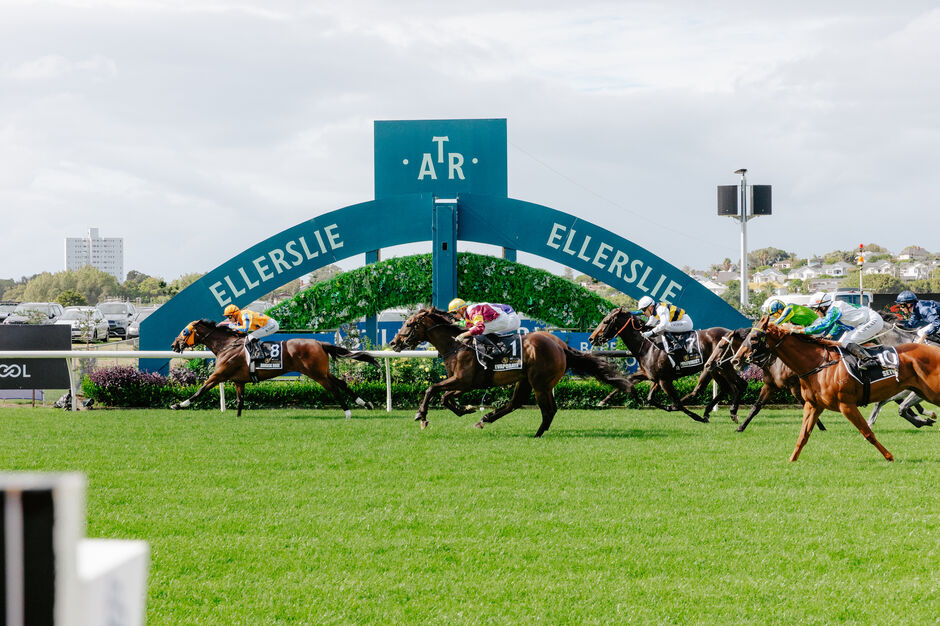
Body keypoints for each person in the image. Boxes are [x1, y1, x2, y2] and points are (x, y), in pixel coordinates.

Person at [799, 292, 882, 369]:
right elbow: (838, 324)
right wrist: (829, 335)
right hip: (863, 322)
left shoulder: (834, 309)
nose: (815, 312)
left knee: (846, 342)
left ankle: (869, 360)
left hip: (872, 320)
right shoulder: (833, 308)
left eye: (815, 309)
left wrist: (800, 330)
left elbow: (822, 326)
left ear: (823, 307)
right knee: (841, 343)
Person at [447, 298, 521, 356]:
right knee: (476, 330)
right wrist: (457, 323)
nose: (454, 315)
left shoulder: (472, 311)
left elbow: (479, 328)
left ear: (462, 309)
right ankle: (497, 348)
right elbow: (470, 323)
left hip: (508, 318)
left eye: (454, 312)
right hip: (506, 317)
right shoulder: (468, 312)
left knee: (476, 331)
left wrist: (462, 335)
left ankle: (496, 350)